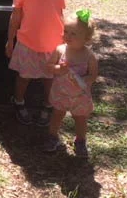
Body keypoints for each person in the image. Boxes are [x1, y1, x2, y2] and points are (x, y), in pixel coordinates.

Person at [5, 0, 65, 127]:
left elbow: (60, 17)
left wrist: (65, 43)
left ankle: (48, 105)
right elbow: (15, 17)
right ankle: (18, 101)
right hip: (27, 43)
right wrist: (10, 40)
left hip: (51, 46)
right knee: (24, 77)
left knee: (49, 78)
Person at [44, 10, 98, 158]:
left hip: (80, 96)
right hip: (61, 92)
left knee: (80, 119)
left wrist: (84, 80)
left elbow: (93, 75)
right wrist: (58, 68)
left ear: (86, 38)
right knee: (57, 115)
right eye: (66, 31)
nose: (67, 36)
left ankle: (80, 141)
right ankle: (53, 137)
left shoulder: (89, 56)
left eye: (73, 34)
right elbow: (48, 67)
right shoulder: (60, 50)